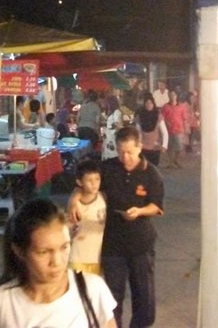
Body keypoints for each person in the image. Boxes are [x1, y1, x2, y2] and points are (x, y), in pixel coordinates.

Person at [70, 125, 164, 328]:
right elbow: (86, 183)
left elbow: (156, 206)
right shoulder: (108, 168)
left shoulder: (151, 174)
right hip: (113, 245)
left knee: (145, 299)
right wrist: (74, 200)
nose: (125, 157)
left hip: (141, 244)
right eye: (121, 152)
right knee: (112, 298)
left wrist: (139, 211)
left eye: (129, 152)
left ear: (140, 148)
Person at [0, 198, 116, 328]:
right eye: (43, 252)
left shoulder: (92, 290)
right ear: (20, 251)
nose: (57, 262)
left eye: (64, 247)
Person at [69, 159, 106, 276]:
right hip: (77, 258)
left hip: (97, 258)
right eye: (89, 180)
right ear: (80, 182)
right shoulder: (75, 205)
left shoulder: (103, 198)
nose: (94, 184)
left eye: (97, 179)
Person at [159, 90, 190, 170]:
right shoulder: (165, 107)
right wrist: (165, 123)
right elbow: (162, 117)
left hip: (179, 129)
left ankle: (176, 160)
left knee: (179, 147)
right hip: (168, 130)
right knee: (170, 147)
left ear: (176, 96)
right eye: (170, 95)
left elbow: (184, 118)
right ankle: (170, 161)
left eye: (173, 95)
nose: (172, 96)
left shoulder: (181, 106)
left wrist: (186, 128)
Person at [135, 94, 167, 167]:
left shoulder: (158, 116)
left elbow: (164, 132)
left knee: (154, 167)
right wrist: (138, 144)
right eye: (147, 103)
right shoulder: (140, 116)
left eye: (150, 103)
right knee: (143, 167)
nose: (149, 105)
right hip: (143, 146)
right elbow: (138, 132)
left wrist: (164, 145)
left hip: (155, 146)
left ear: (153, 104)